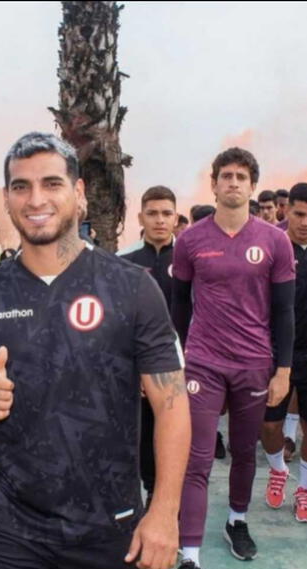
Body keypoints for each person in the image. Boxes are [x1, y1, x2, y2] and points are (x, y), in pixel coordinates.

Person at [0, 132, 191, 569]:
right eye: (21, 186)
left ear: (78, 194)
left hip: (109, 523)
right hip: (9, 522)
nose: (36, 199)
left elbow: (171, 405)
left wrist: (165, 512)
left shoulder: (132, 287)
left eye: (51, 184)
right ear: (7, 198)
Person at [172, 147, 295, 569]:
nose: (234, 182)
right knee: (197, 458)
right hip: (202, 364)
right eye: (226, 175)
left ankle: (236, 521)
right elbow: (178, 308)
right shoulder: (190, 241)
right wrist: (180, 358)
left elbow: (284, 312)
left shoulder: (274, 240)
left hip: (254, 365)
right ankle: (190, 556)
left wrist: (283, 370)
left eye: (242, 176)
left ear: (252, 184)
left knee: (245, 452)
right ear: (214, 184)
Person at [260, 183, 307, 523]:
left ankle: (305, 490)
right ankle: (278, 471)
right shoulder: (270, 246)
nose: (306, 222)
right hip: (275, 356)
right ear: (286, 210)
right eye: (299, 214)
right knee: (270, 425)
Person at [121, 185, 177, 508]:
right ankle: (144, 494)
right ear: (141, 217)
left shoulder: (189, 259)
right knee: (141, 437)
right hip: (138, 372)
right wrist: (137, 370)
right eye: (153, 213)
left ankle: (165, 499)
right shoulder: (124, 262)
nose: (159, 220)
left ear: (175, 218)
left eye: (166, 213)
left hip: (181, 369)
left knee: (174, 435)